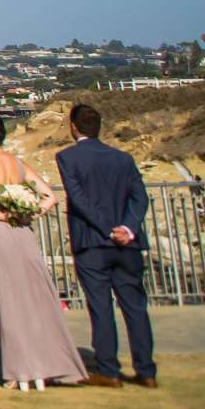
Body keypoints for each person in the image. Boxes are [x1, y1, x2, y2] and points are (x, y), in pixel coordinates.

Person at [0, 110, 84, 390]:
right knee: (32, 300)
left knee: (3, 299)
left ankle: (17, 370)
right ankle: (40, 369)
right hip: (22, 233)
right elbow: (50, 197)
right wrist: (27, 213)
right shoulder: (18, 163)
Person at [57, 102, 156, 389]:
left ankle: (108, 369)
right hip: (128, 244)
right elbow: (140, 198)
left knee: (100, 308)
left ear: (74, 127)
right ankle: (146, 370)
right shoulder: (123, 159)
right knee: (136, 307)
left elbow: (78, 199)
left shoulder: (68, 158)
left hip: (92, 242)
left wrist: (107, 229)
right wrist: (127, 228)